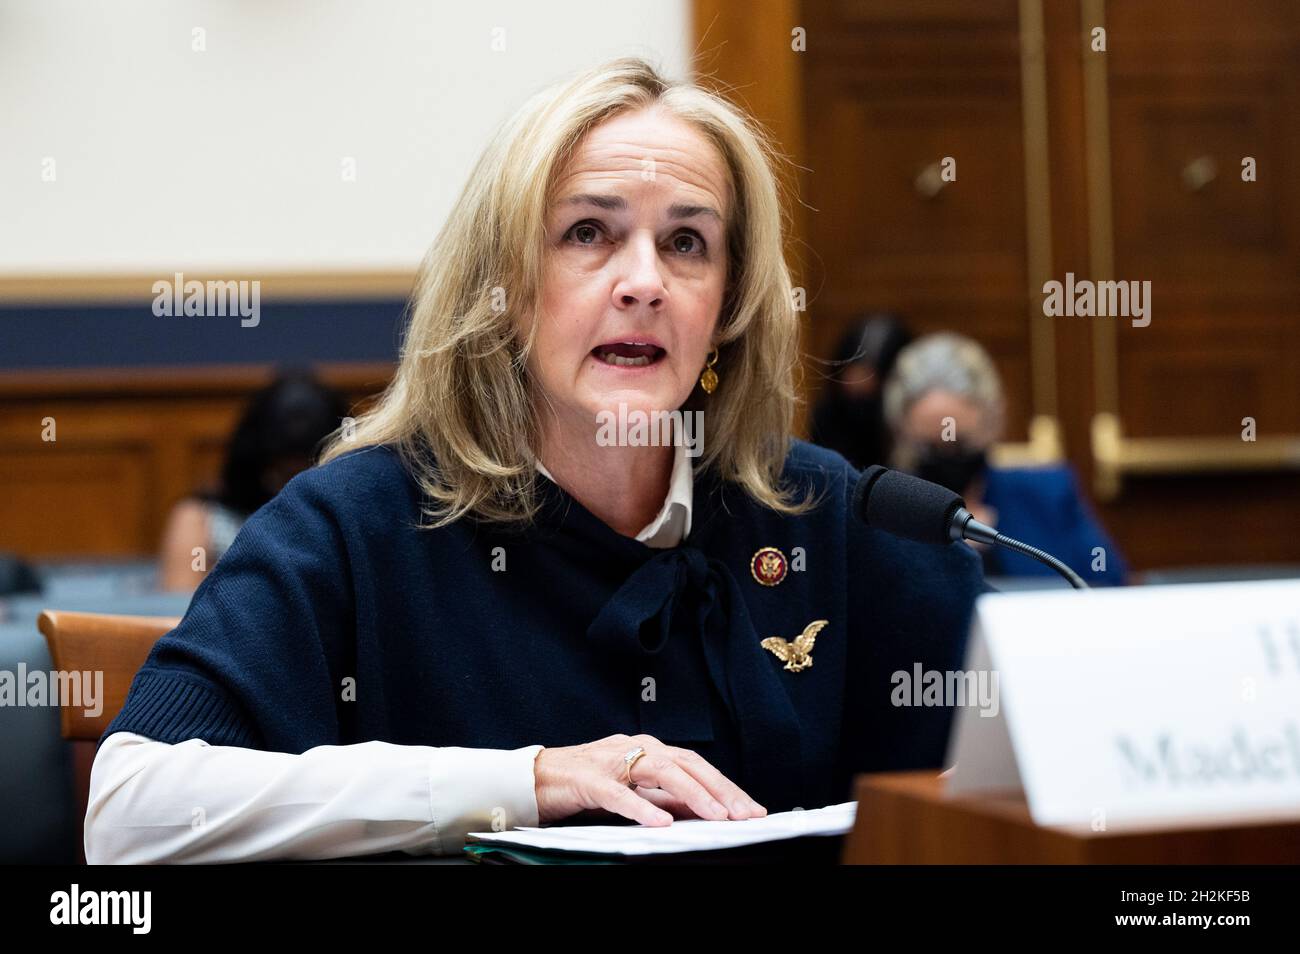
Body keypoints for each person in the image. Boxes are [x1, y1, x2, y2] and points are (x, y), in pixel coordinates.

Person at [84, 57, 987, 863]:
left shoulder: (833, 517)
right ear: (505, 291)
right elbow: (130, 813)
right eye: (588, 233)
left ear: (727, 308)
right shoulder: (357, 524)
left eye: (687, 242)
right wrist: (529, 783)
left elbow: (984, 805)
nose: (644, 282)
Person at [884, 332, 1128, 586]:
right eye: (929, 447)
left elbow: (1108, 586)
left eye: (960, 443)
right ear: (902, 432)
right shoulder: (885, 511)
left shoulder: (1047, 494)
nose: (947, 455)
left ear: (991, 423)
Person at [157, 371, 349, 591]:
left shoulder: (346, 523)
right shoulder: (199, 519)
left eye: (308, 473)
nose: (292, 490)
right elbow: (178, 608)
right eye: (282, 475)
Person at [808, 313, 911, 470]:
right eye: (855, 366)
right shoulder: (828, 413)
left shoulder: (901, 416)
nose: (859, 378)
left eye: (870, 371)